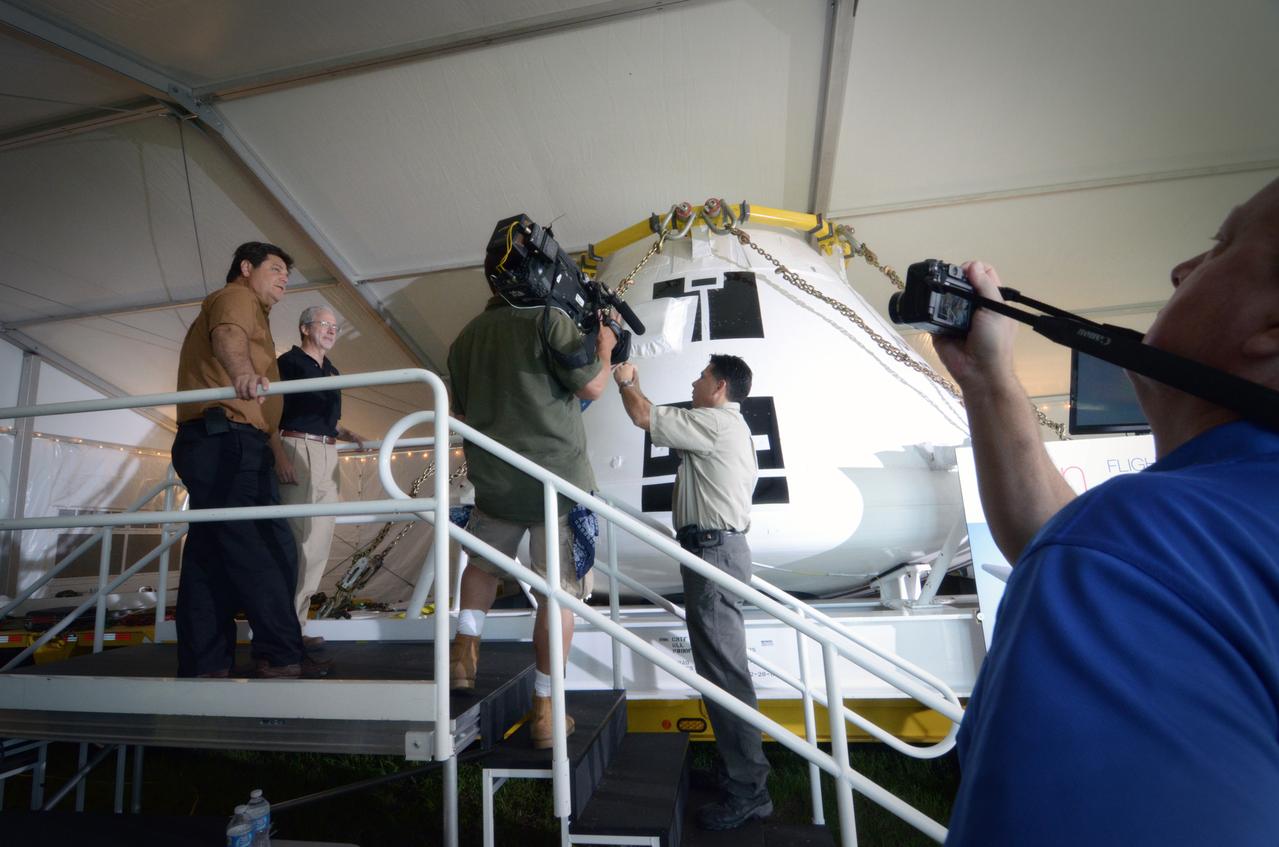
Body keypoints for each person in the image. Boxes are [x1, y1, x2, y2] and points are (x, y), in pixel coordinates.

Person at [938, 176, 1279, 846]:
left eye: (1221, 245)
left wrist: (1092, 553)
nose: (1182, 268)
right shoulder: (1185, 544)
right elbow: (1105, 558)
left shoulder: (1139, 549)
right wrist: (987, 379)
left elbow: (1124, 565)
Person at [445, 245, 616, 750]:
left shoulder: (465, 337)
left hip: (495, 480)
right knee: (556, 594)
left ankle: (463, 657)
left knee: (482, 565)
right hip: (555, 483)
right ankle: (546, 710)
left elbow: (462, 410)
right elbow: (592, 387)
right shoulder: (549, 320)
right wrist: (605, 346)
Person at [614, 354, 773, 831]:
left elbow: (644, 416)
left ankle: (749, 791)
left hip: (713, 554)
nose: (694, 382)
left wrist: (625, 380)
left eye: (702, 376)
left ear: (719, 387)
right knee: (720, 671)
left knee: (725, 675)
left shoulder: (716, 423)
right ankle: (737, 773)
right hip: (713, 552)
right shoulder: (723, 426)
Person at [172, 242, 332, 679]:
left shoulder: (252, 311)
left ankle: (206, 663)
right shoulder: (235, 297)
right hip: (225, 438)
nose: (284, 279)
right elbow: (228, 335)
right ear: (246, 267)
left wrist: (273, 446)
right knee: (263, 544)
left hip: (228, 439)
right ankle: (280, 653)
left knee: (210, 553)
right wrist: (241, 372)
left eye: (287, 273)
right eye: (276, 269)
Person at [274, 306, 366, 643]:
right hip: (297, 448)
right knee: (298, 541)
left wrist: (346, 433)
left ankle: (295, 627)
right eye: (324, 324)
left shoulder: (332, 370)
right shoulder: (288, 363)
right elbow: (270, 412)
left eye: (334, 326)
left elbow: (324, 419)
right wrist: (279, 455)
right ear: (304, 328)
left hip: (328, 451)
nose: (331, 330)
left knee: (319, 543)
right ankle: (281, 632)